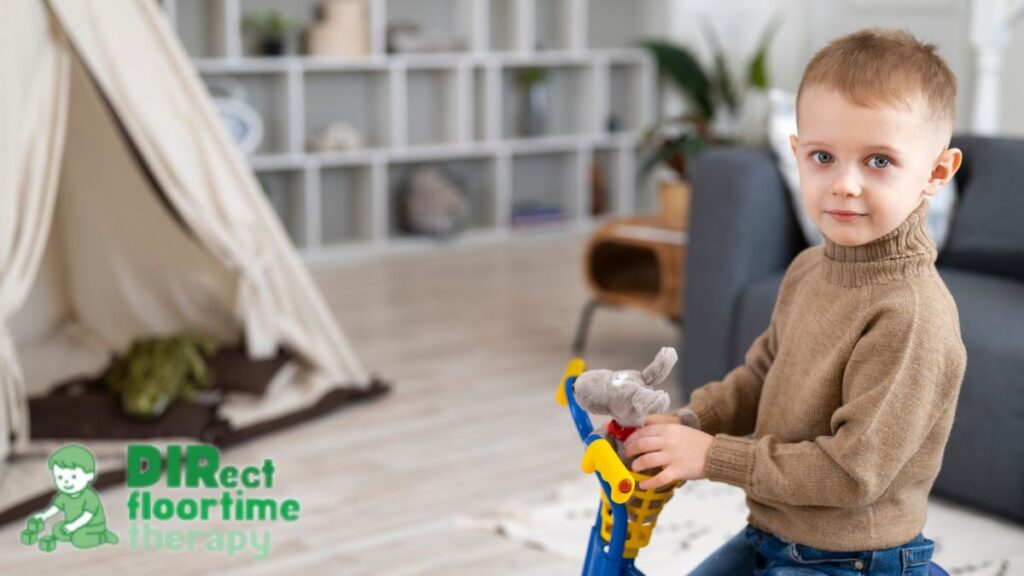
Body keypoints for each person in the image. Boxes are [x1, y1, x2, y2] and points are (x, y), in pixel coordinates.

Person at [624, 27, 966, 575]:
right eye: (823, 156)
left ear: (936, 172)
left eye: (878, 161)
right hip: (773, 533)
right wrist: (691, 422)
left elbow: (854, 473)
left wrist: (712, 458)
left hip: (852, 559)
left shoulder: (911, 315)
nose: (844, 185)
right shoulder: (811, 270)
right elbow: (760, 374)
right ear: (797, 154)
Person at [22, 444, 119, 551]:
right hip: (73, 525)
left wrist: (73, 526)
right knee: (57, 529)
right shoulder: (64, 496)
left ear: (89, 476)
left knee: (79, 540)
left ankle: (103, 536)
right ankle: (59, 539)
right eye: (60, 477)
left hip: (92, 527)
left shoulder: (89, 496)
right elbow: (56, 508)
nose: (66, 482)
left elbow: (87, 516)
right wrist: (44, 516)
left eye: (73, 477)